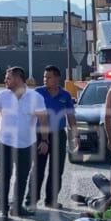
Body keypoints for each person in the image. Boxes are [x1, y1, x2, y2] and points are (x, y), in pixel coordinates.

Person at [0, 66, 48, 220]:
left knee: (22, 176)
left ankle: (17, 208)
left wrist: (44, 140)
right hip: (5, 142)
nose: (5, 80)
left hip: (26, 144)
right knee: (4, 175)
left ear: (18, 79)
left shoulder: (35, 97)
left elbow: (43, 119)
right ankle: (4, 210)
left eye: (8, 78)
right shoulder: (3, 96)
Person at [34, 65, 77, 209]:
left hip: (59, 134)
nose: (45, 79)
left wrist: (74, 136)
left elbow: (70, 117)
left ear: (57, 78)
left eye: (49, 77)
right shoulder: (37, 93)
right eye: (45, 76)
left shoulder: (65, 96)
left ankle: (51, 200)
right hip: (40, 135)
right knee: (38, 168)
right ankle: (31, 200)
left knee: (56, 169)